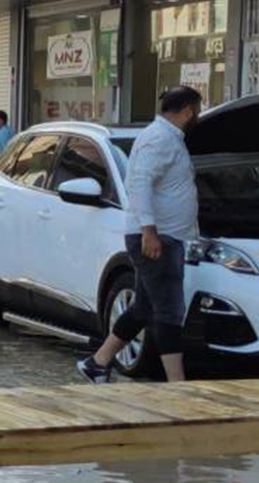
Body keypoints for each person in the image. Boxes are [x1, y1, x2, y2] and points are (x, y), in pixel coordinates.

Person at [78, 86, 203, 384]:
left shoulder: (169, 138)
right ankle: (177, 385)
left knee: (143, 308)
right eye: (197, 109)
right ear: (187, 110)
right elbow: (140, 184)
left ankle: (97, 362)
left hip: (163, 236)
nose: (198, 115)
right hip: (157, 238)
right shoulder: (159, 139)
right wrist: (149, 231)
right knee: (170, 310)